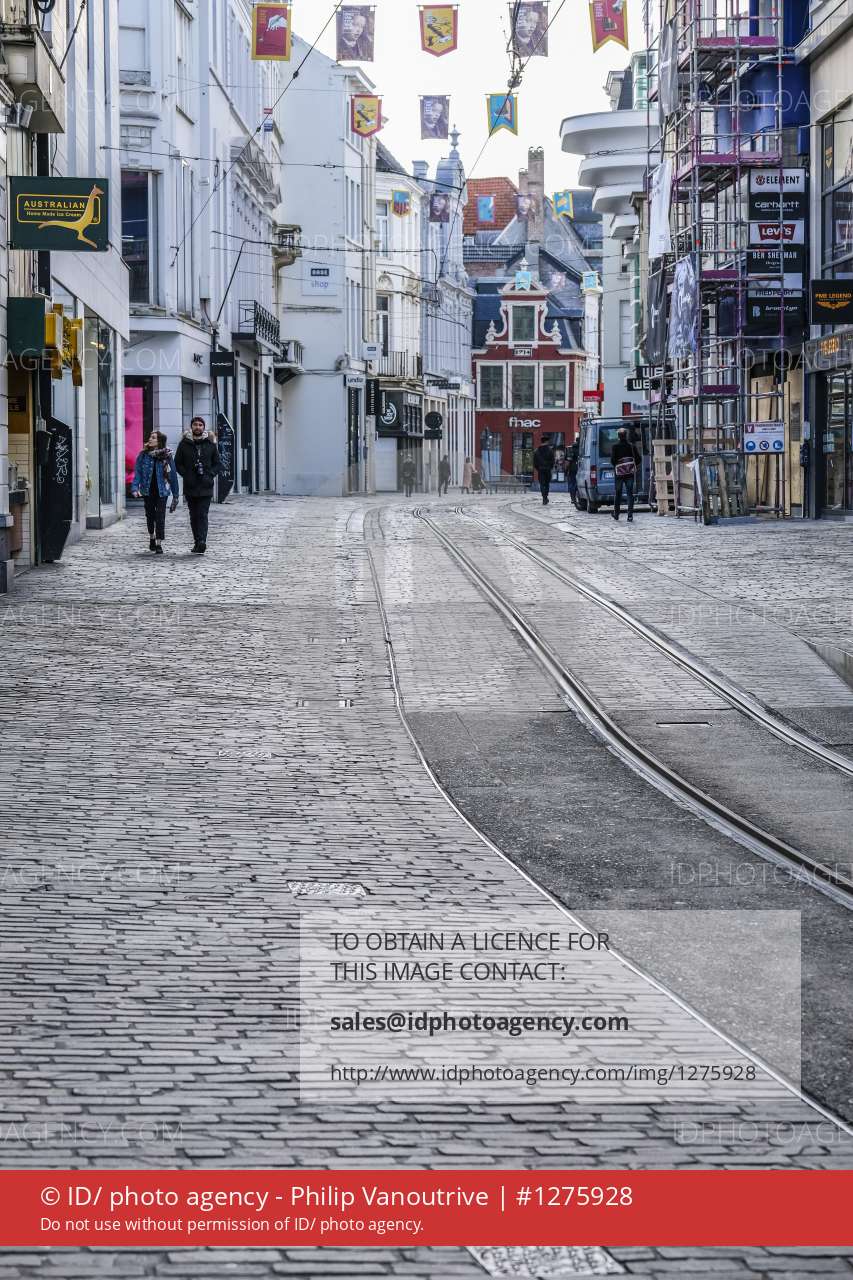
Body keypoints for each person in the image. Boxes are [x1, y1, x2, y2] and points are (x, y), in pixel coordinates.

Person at [175, 415, 222, 554]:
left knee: (202, 514)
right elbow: (178, 463)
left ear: (204, 427)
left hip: (206, 486)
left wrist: (210, 474)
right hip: (191, 486)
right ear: (191, 427)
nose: (198, 427)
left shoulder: (210, 444)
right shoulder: (184, 444)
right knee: (194, 515)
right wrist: (186, 474)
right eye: (195, 424)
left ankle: (202, 541)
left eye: (200, 425)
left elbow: (218, 464)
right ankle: (197, 541)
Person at [131, 431, 179, 554]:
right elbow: (138, 473)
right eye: (150, 437)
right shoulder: (143, 455)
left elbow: (172, 475)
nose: (150, 439)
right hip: (147, 491)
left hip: (162, 491)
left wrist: (176, 495)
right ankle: (152, 536)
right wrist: (135, 488)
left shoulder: (167, 456)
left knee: (160, 517)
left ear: (159, 441)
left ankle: (158, 543)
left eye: (153, 438)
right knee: (150, 516)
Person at [610, 426, 641, 522]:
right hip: (629, 474)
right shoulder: (631, 446)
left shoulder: (615, 447)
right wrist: (630, 465)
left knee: (618, 493)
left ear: (618, 436)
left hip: (619, 474)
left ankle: (616, 514)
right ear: (626, 436)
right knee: (630, 494)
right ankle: (630, 515)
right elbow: (638, 459)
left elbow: (613, 461)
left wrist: (619, 464)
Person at [533, 435, 555, 505]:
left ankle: (544, 498)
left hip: (540, 470)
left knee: (542, 484)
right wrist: (550, 468)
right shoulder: (550, 450)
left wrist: (538, 469)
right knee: (547, 483)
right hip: (548, 469)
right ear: (546, 441)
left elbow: (535, 463)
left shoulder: (537, 451)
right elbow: (552, 461)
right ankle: (545, 497)